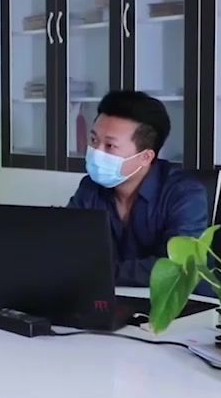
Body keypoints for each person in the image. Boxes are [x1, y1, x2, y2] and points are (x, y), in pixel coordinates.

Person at [68, 90, 209, 287]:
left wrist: (99, 273)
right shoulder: (90, 188)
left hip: (178, 303)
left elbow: (176, 267)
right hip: (108, 297)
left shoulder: (185, 194)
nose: (96, 152)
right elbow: (67, 245)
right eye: (93, 140)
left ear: (145, 157)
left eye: (110, 145)